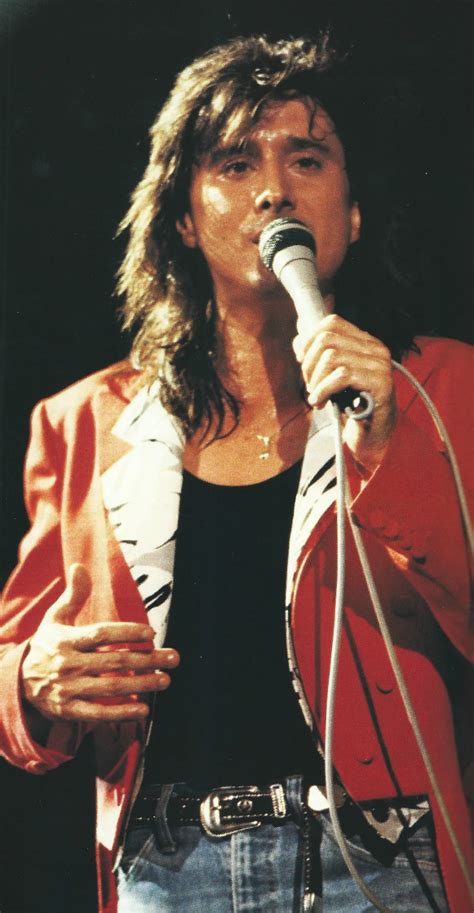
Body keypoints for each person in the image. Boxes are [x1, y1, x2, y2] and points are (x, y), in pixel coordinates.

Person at [0, 32, 472, 913]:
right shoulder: (81, 422)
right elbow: (14, 654)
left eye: (307, 159)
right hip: (169, 870)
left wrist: (387, 447)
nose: (274, 190)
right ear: (183, 216)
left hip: (380, 859)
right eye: (234, 162)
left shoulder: (446, 389)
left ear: (353, 212)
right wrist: (29, 676)